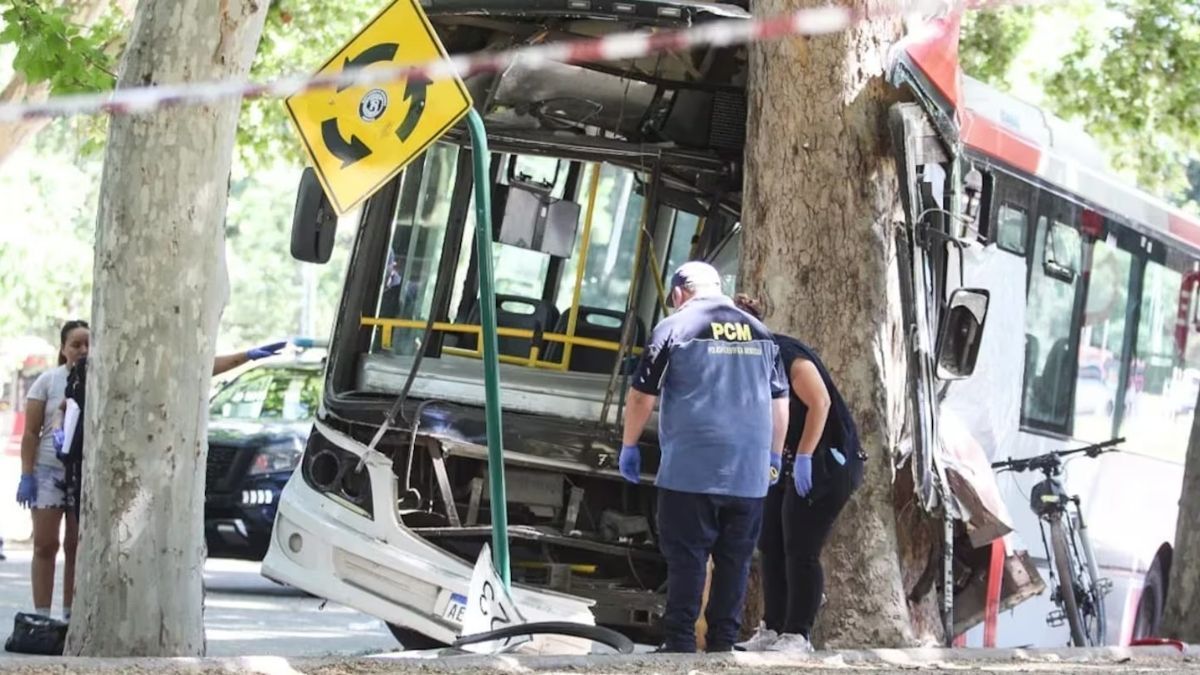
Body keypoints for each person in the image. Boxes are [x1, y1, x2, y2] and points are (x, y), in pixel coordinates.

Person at [619, 262, 790, 653]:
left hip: (690, 472)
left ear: (679, 293)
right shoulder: (760, 332)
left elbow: (642, 395)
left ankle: (680, 646)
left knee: (688, 559)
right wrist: (775, 456)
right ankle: (722, 648)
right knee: (735, 563)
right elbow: (781, 403)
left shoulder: (674, 327)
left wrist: (629, 445)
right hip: (749, 476)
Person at [731, 294, 864, 653]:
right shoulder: (741, 363)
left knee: (800, 547)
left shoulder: (785, 354)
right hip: (785, 462)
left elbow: (819, 403)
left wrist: (804, 456)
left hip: (825, 462)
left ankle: (798, 634)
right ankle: (772, 628)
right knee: (770, 543)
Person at [16, 319, 90, 621]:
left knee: (76, 546)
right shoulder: (47, 382)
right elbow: (31, 433)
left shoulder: (102, 383)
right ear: (63, 349)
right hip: (47, 471)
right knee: (46, 545)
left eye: (88, 344)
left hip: (82, 474)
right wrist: (27, 475)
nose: (83, 350)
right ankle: (42, 618)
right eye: (76, 344)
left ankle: (71, 617)